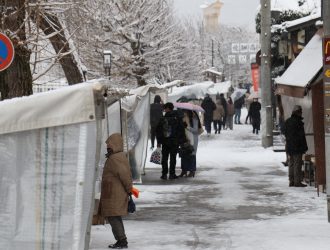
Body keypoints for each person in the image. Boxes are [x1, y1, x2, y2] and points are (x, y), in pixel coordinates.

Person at [99, 133, 133, 249]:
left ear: (115, 144)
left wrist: (129, 190)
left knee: (113, 217)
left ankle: (122, 241)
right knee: (114, 217)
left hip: (114, 193)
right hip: (113, 192)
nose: (107, 145)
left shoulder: (115, 158)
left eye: (109, 143)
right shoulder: (117, 156)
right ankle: (121, 240)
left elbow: (125, 176)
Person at [156, 102, 185, 180]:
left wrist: (159, 142)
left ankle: (164, 174)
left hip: (165, 141)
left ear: (168, 108)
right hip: (174, 141)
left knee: (164, 158)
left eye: (165, 108)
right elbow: (181, 130)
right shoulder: (177, 118)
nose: (164, 110)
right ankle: (172, 174)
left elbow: (158, 131)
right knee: (173, 158)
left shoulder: (163, 118)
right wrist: (181, 141)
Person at [284, 105, 308, 187]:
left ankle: (291, 181)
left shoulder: (288, 121)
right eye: (300, 112)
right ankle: (297, 182)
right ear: (298, 113)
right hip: (297, 146)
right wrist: (304, 147)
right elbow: (301, 136)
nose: (301, 113)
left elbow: (284, 132)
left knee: (291, 163)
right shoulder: (298, 122)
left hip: (289, 145)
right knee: (297, 164)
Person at [180, 110, 202, 177]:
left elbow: (195, 130)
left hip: (193, 139)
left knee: (192, 154)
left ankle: (192, 171)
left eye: (185, 113)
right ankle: (184, 170)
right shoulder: (183, 119)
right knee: (184, 154)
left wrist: (187, 127)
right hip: (185, 139)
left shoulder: (194, 120)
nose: (184, 114)